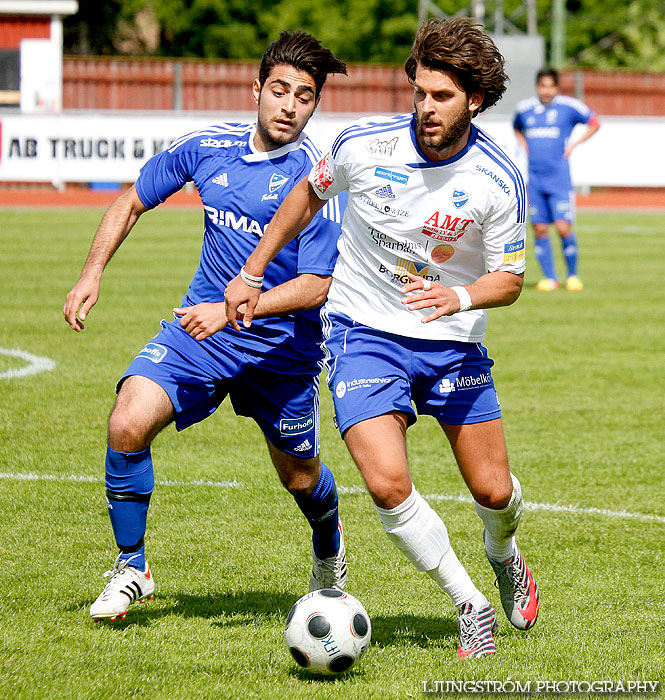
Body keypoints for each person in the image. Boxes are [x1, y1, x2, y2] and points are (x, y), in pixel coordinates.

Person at [225, 17, 539, 660]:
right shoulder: (362, 145)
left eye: (442, 96)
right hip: (361, 332)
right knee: (387, 482)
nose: (426, 107)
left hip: (452, 341)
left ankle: (505, 555)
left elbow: (509, 279)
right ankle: (468, 603)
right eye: (419, 91)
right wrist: (255, 269)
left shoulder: (498, 177)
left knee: (493, 492)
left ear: (474, 100)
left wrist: (460, 295)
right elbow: (305, 198)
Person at [63, 31, 348, 622]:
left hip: (282, 352)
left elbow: (318, 286)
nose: (290, 105)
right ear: (256, 91)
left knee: (299, 477)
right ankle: (131, 566)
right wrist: (92, 274)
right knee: (127, 420)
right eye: (279, 90)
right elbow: (130, 201)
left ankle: (329, 550)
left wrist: (235, 309)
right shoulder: (207, 147)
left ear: (315, 104)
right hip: (200, 334)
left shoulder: (319, 178)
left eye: (304, 95)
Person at [513, 67, 600, 291]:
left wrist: (574, 144)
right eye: (543, 85)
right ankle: (550, 278)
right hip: (534, 180)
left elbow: (594, 122)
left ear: (557, 87)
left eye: (551, 86)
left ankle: (572, 275)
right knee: (540, 228)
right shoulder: (525, 109)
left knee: (563, 227)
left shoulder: (569, 107)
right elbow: (517, 128)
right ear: (537, 87)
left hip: (559, 179)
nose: (547, 90)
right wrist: (523, 144)